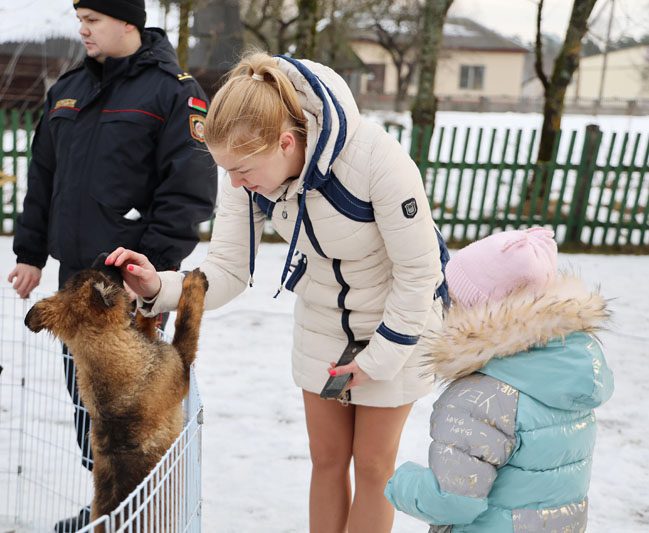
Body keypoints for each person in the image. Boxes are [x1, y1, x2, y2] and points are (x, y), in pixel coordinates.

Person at [106, 51, 449, 532]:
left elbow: (420, 273)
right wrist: (160, 287)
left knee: (373, 466)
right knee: (326, 460)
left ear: (287, 143)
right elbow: (227, 266)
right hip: (322, 323)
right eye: (227, 171)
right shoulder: (245, 173)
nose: (235, 183)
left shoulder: (378, 161)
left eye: (242, 172)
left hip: (398, 326)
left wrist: (379, 360)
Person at [8, 1, 217, 530]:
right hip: (74, 283)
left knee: (135, 414)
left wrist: (150, 273)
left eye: (93, 19)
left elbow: (188, 192)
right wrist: (31, 253)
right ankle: (107, 502)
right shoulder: (68, 88)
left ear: (128, 21)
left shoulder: (173, 90)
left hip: (129, 287)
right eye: (79, 18)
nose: (82, 29)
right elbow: (44, 177)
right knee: (91, 409)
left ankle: (145, 510)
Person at [385, 227, 614, 532]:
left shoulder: (479, 397)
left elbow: (453, 500)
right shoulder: (569, 369)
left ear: (476, 313)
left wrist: (401, 482)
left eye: (453, 298)